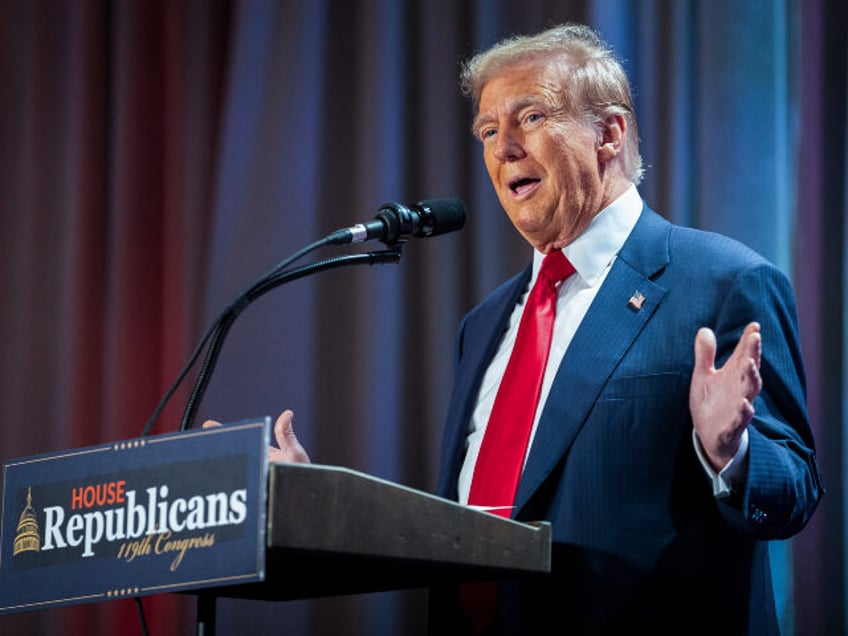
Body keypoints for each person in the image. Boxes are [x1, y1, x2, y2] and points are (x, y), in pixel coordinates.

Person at [265, 22, 823, 635]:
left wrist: (731, 453)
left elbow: (793, 489)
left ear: (609, 134)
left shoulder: (724, 281)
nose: (502, 147)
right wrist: (317, 502)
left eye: (529, 118)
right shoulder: (483, 326)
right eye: (486, 130)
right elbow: (465, 527)